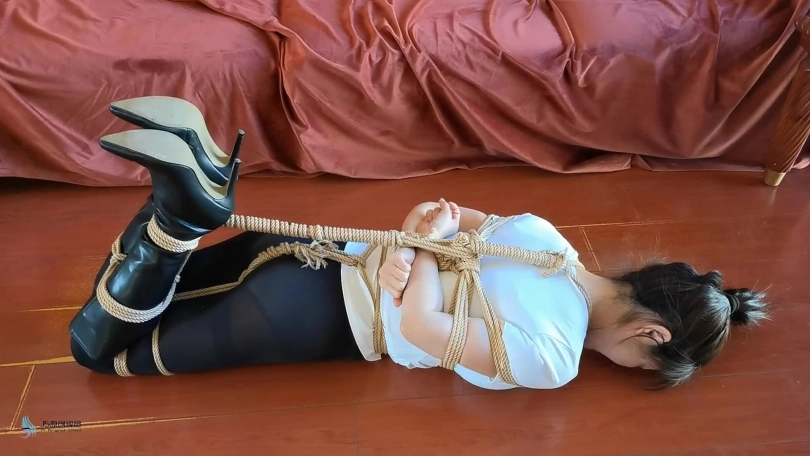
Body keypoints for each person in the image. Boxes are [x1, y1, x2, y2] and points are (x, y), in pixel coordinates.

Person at [69, 128, 769, 389]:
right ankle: (179, 211)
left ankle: (193, 182)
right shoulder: (556, 358)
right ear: (653, 334)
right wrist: (419, 257)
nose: (628, 369)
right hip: (312, 316)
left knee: (165, 286)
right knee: (101, 357)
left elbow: (444, 215)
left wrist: (413, 239)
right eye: (645, 366)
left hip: (327, 249)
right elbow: (419, 326)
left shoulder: (548, 237)